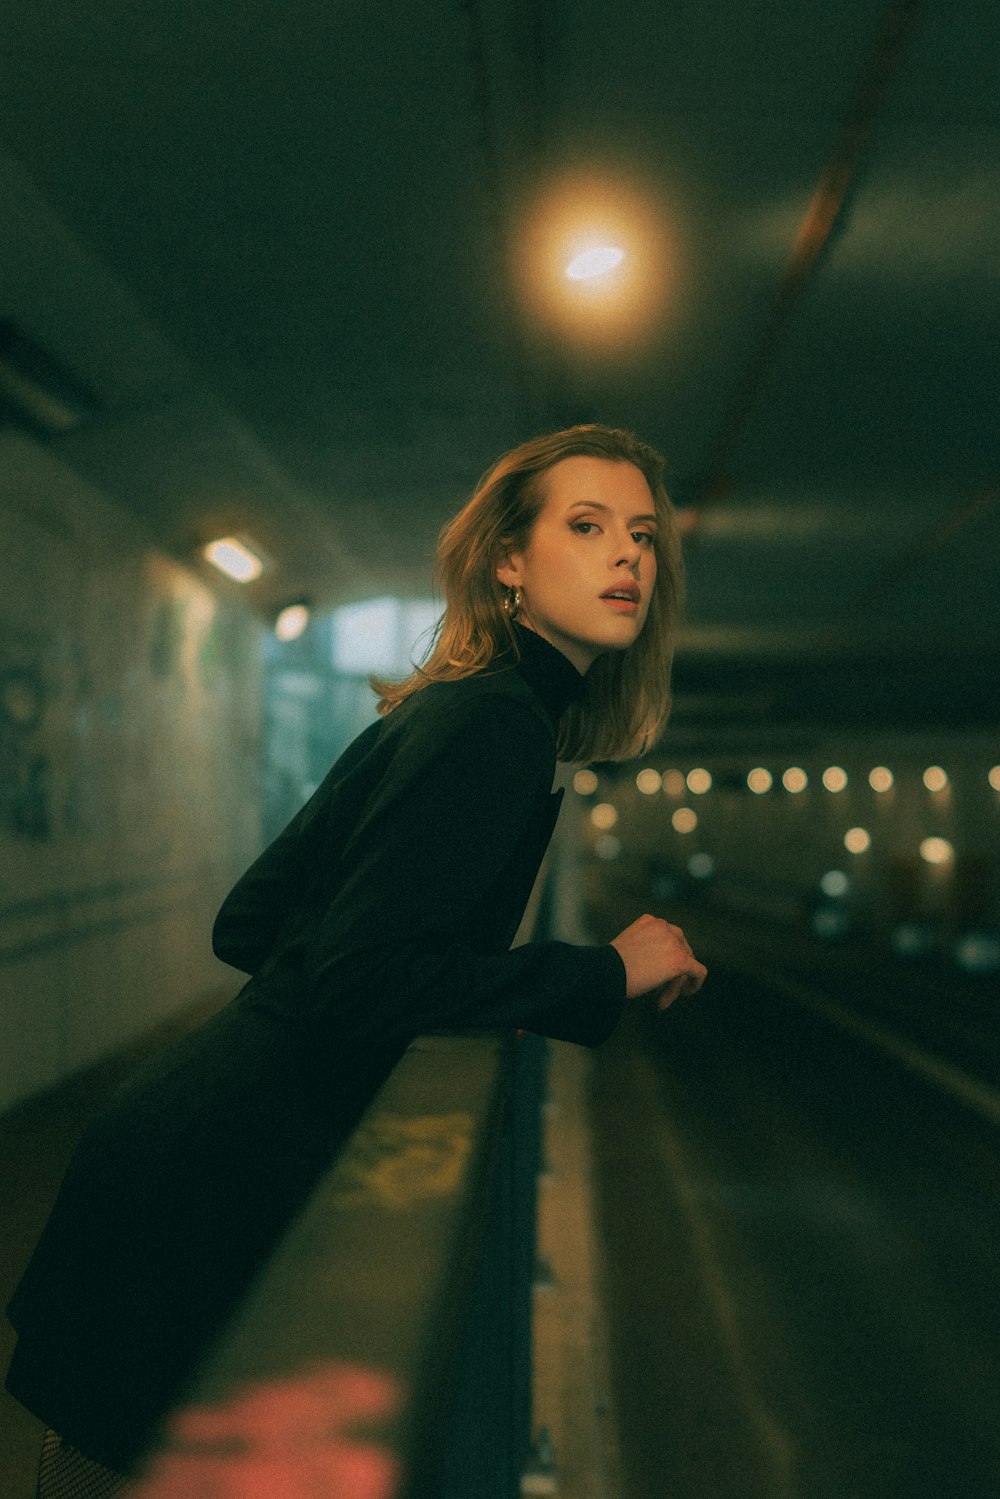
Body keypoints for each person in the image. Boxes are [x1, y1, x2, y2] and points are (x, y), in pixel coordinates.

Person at [5, 423, 707, 1495]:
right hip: (212, 1186)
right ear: (508, 561)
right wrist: (602, 971)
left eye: (645, 537)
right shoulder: (496, 727)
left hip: (180, 1144)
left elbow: (249, 923)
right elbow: (361, 978)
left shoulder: (452, 705)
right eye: (587, 524)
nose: (628, 556)